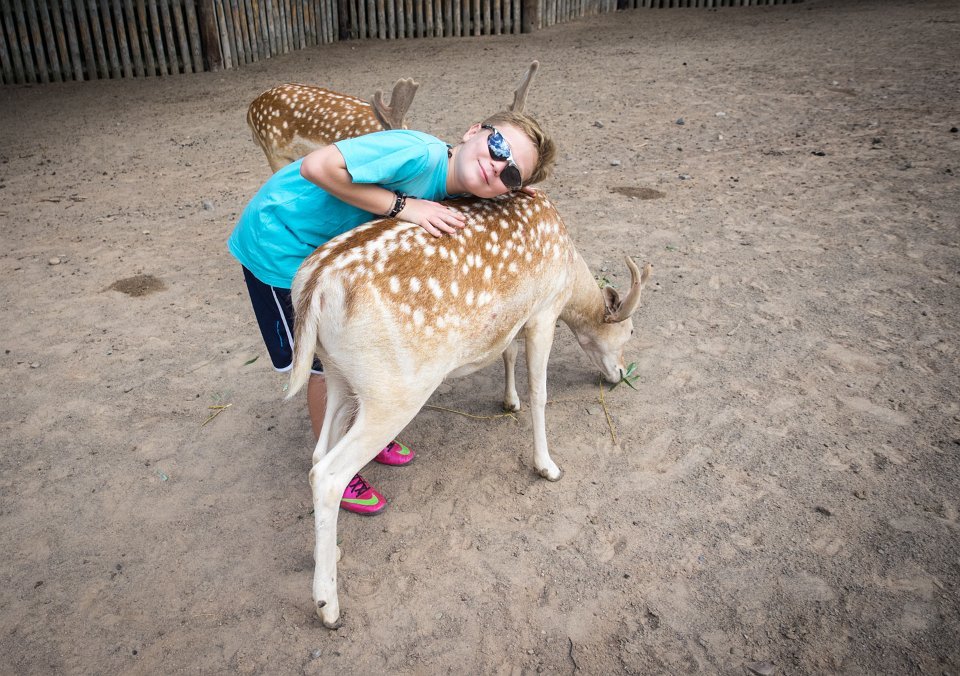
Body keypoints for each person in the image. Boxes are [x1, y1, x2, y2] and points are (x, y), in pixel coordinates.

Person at [229, 110, 557, 515]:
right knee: (320, 364)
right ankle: (334, 460)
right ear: (474, 130)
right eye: (498, 147)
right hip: (279, 241)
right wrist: (404, 206)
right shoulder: (416, 153)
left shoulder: (458, 179)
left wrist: (510, 191)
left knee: (353, 345)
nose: (497, 166)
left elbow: (480, 179)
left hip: (322, 249)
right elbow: (317, 167)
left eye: (511, 173)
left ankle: (365, 429)